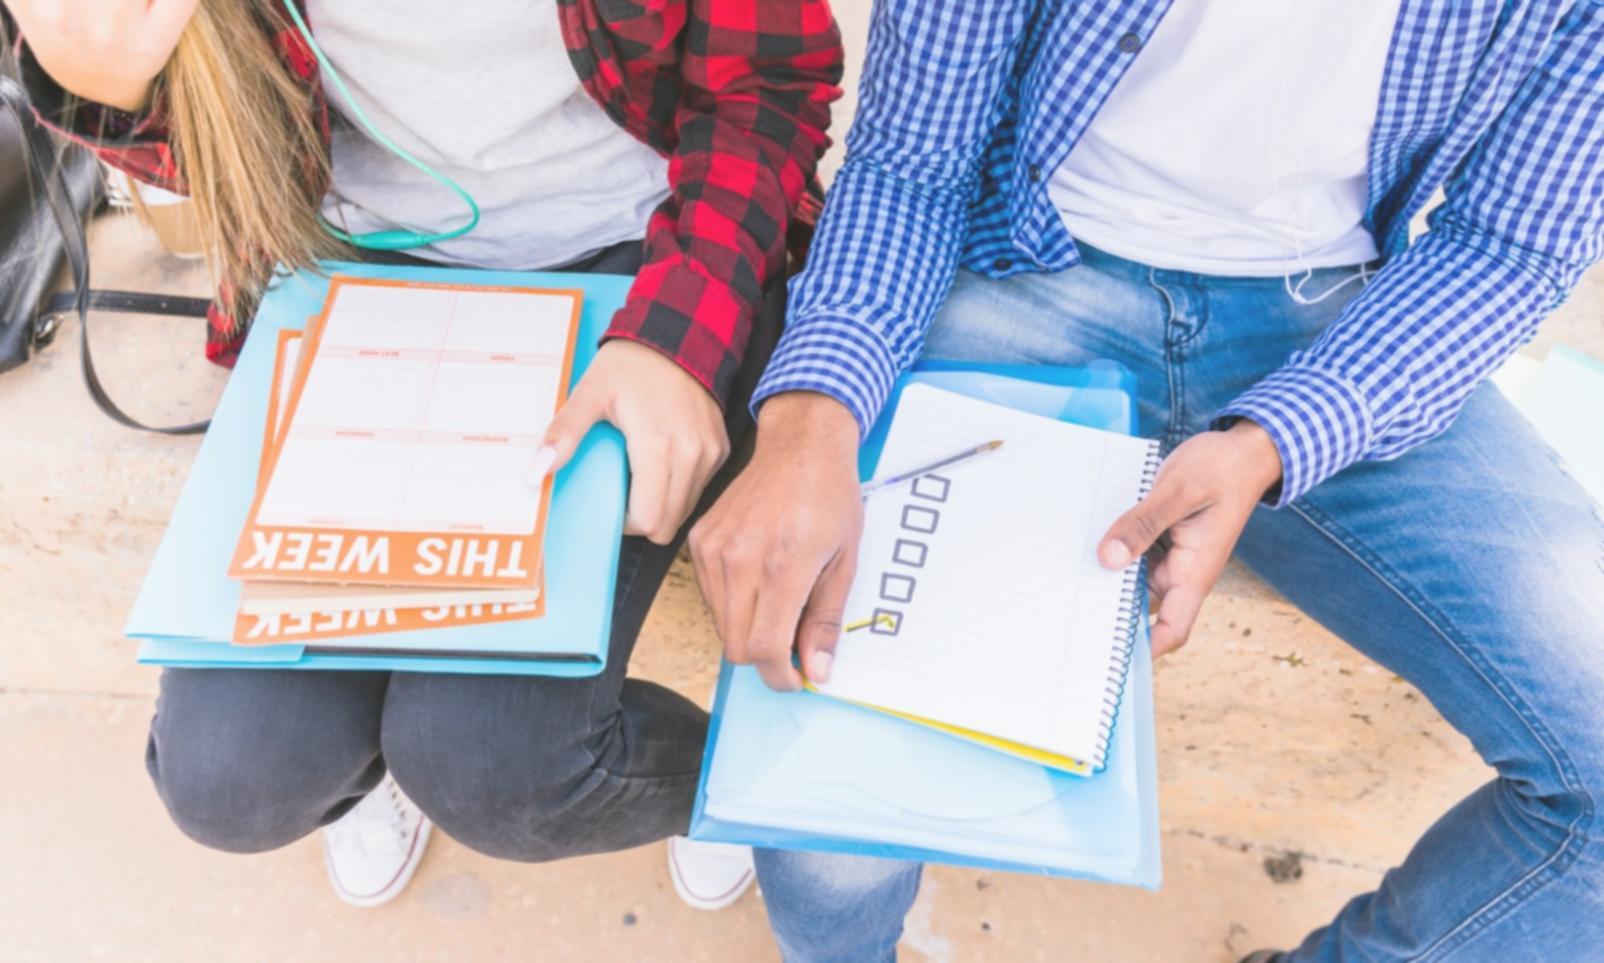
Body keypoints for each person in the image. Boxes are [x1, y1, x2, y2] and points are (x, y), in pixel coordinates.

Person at [690, 0, 1604, 960]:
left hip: (1340, 318)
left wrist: (1276, 439)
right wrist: (812, 414)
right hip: (1026, 260)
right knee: (823, 782)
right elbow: (913, 162)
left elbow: (1513, 244)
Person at [4, 0, 841, 912]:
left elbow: (768, 79)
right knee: (227, 775)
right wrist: (106, 87)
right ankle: (379, 749)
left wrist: (682, 328)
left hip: (638, 252)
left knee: (496, 768)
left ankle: (741, 788)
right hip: (346, 264)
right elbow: (212, 136)